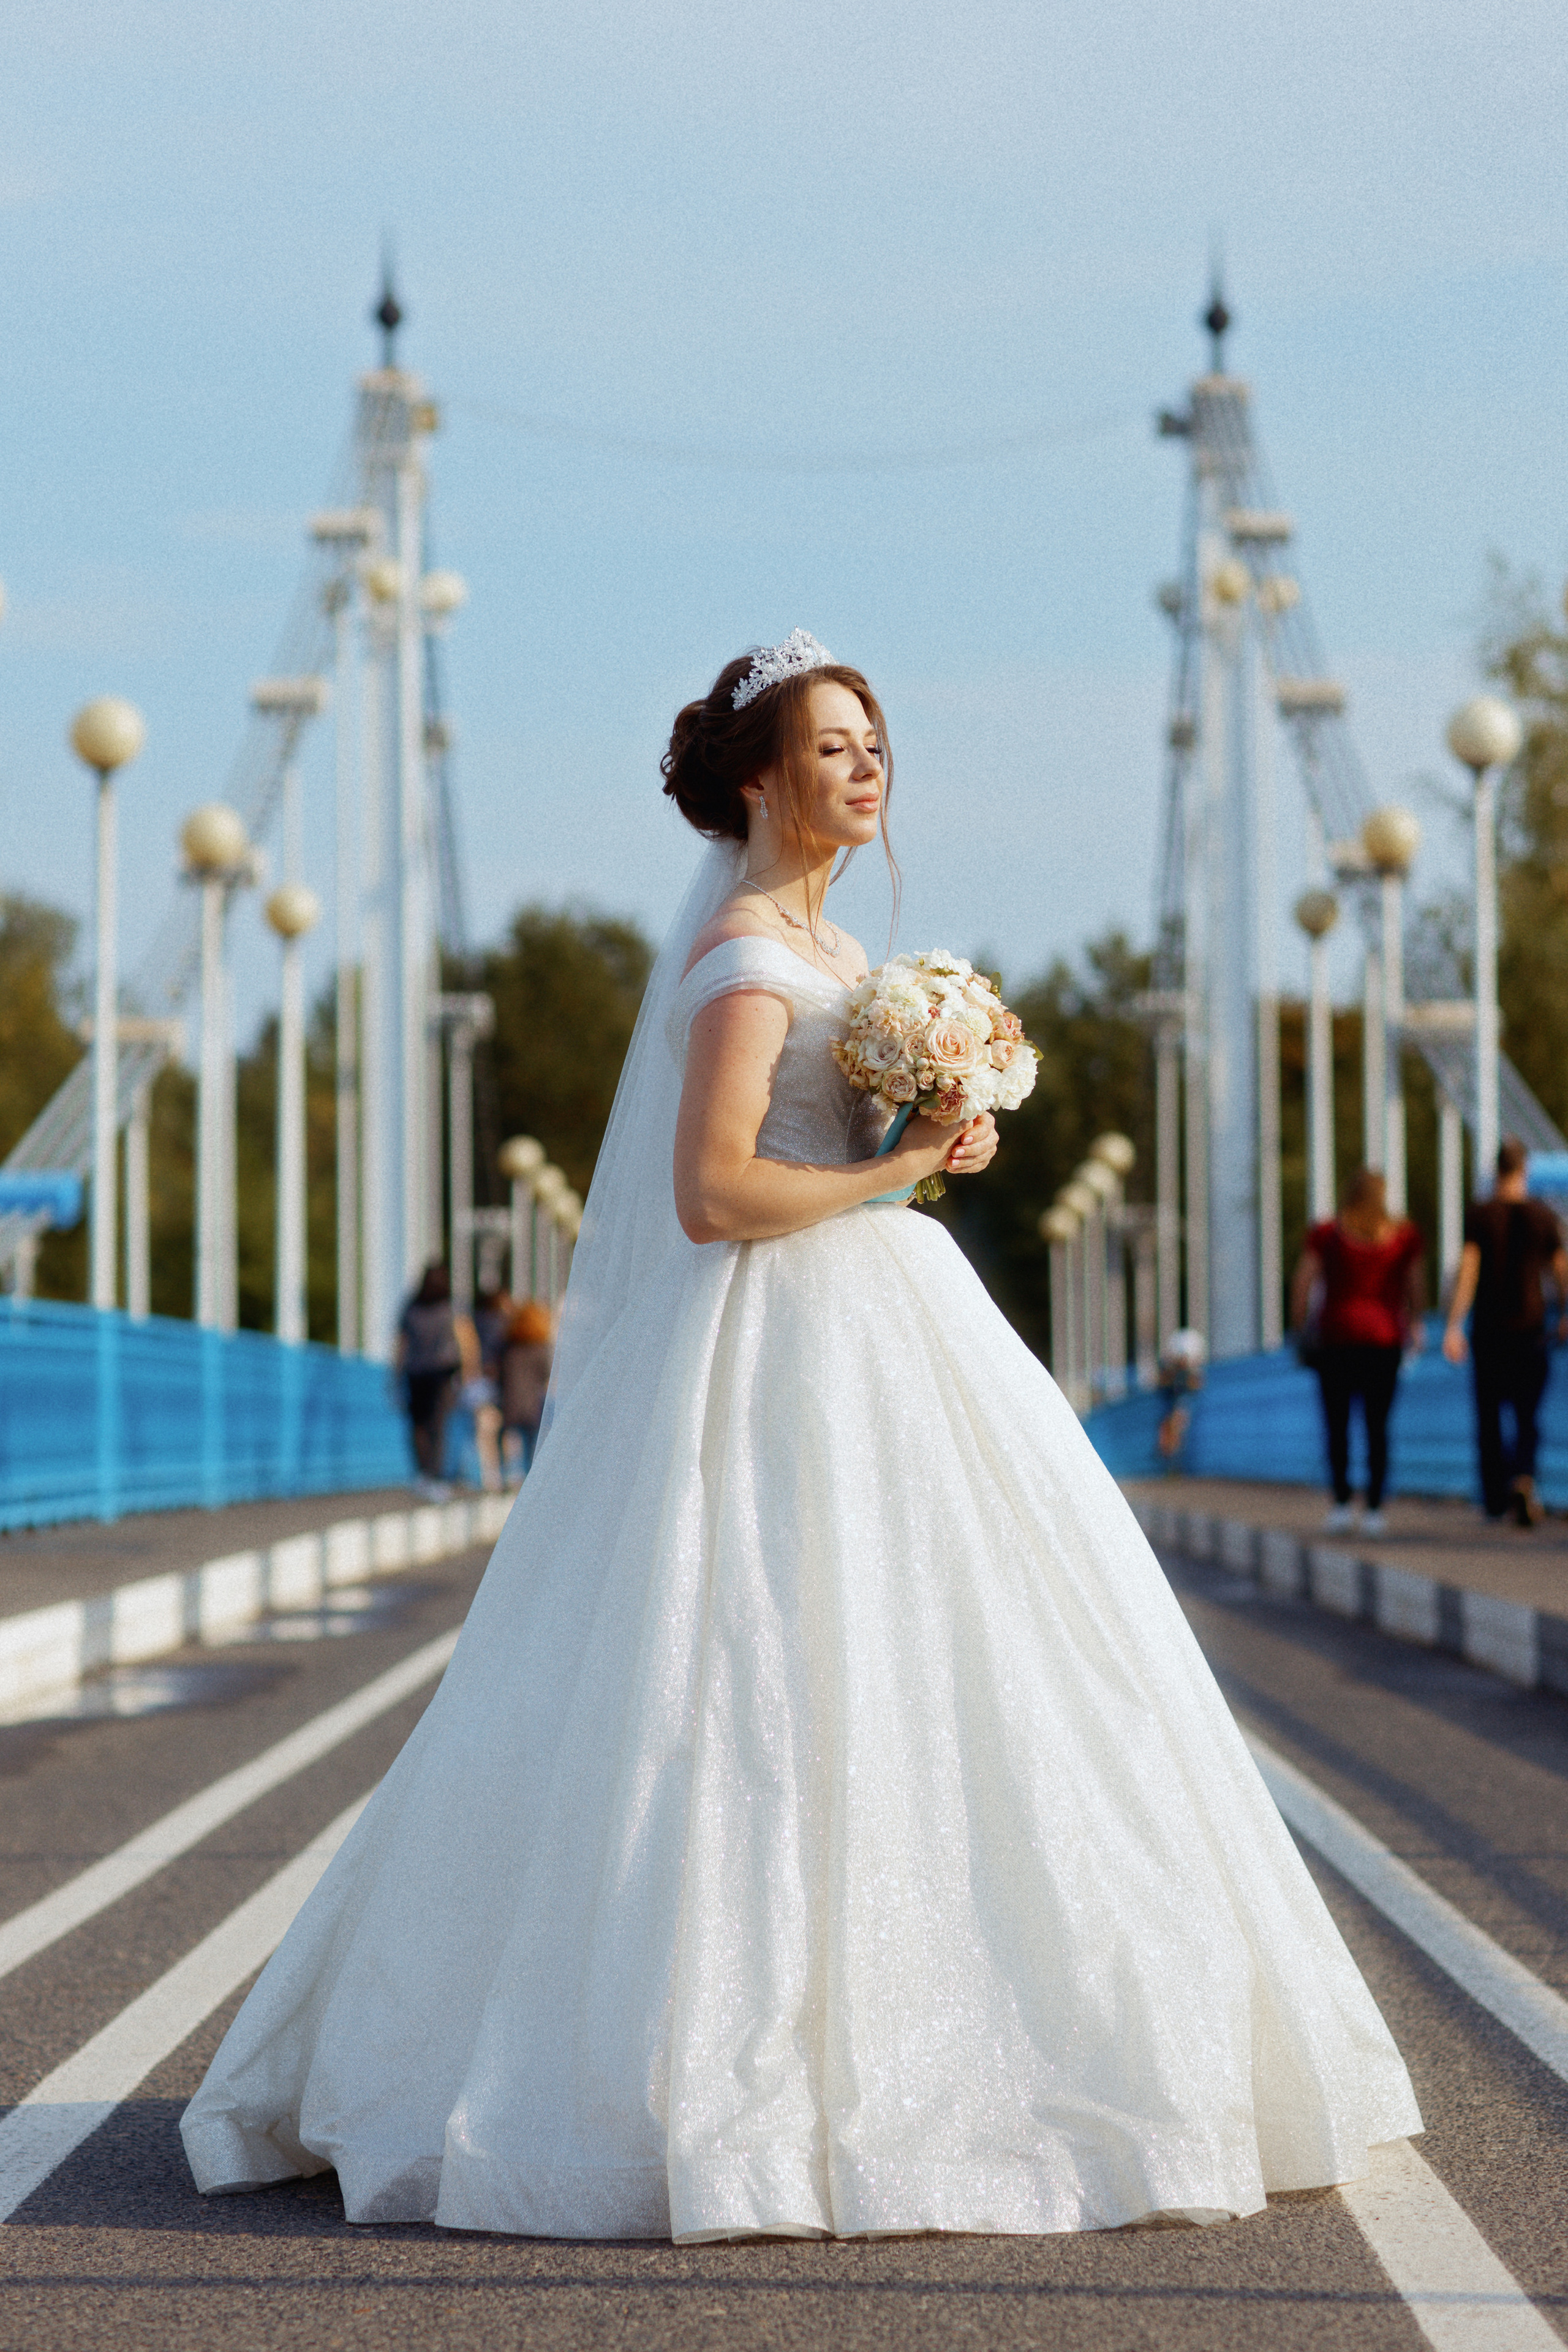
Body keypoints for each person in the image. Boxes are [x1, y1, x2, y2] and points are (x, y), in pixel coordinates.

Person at [183, 633, 1418, 2242]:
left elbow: (816, 1159)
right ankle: (729, 2083)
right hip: (777, 1337)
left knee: (955, 1663)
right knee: (756, 1676)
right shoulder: (751, 959)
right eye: (832, 745)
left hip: (892, 1326)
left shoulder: (841, 953)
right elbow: (713, 1199)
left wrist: (939, 1133)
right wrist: (898, 1170)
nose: (866, 764)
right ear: (758, 780)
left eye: (876, 741)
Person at [1442, 1136, 1568, 1525]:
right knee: (1529, 1413)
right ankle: (1525, 1478)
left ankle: (1496, 1499)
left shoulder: (1480, 1214)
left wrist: (1453, 1325)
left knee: (1490, 1415)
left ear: (1495, 1171)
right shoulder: (1543, 1215)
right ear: (1524, 1171)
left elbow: (1469, 1268)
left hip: (1489, 1331)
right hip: (1532, 1329)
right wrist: (1566, 1312)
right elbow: (1560, 1269)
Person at [1291, 1169, 1423, 1538]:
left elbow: (1304, 1280)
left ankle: (1341, 1503)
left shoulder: (1328, 1234)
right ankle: (1376, 1509)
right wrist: (1415, 1323)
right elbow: (1415, 1283)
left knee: (1338, 1424)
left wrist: (1299, 1327)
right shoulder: (1402, 1236)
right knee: (1377, 1426)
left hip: (1337, 1338)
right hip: (1384, 1340)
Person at [393, 1262, 462, 1499]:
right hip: (442, 1373)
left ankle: (423, 1474)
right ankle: (437, 1476)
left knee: (419, 1425)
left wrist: (394, 1376)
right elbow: (460, 1340)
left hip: (416, 1373)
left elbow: (401, 1343)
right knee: (438, 1425)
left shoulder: (411, 1307)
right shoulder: (448, 1307)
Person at [500, 1298, 554, 1483]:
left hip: (510, 1401)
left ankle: (508, 1476)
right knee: (533, 1442)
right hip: (532, 1403)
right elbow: (546, 1375)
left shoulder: (510, 1348)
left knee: (510, 1438)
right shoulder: (540, 1349)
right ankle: (531, 1478)